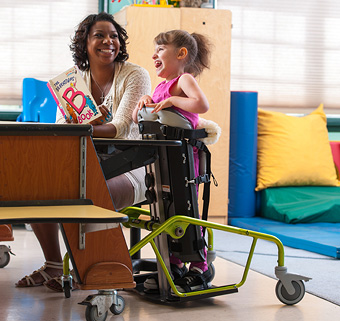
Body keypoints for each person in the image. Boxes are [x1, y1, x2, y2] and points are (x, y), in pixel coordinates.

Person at [15, 12, 151, 291]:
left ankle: (96, 272)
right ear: (85, 43)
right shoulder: (74, 79)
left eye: (113, 36)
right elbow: (62, 126)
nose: (108, 41)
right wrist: (87, 126)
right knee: (36, 189)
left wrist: (85, 127)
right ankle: (53, 265)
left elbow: (122, 127)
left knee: (91, 197)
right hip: (87, 161)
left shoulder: (135, 75)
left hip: (134, 164)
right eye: (99, 35)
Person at [133, 29, 212, 293]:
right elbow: (137, 119)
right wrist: (144, 102)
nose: (154, 54)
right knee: (166, 211)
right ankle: (174, 264)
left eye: (160, 49)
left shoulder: (183, 80)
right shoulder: (158, 88)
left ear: (181, 54)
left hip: (184, 158)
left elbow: (201, 105)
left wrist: (171, 100)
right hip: (162, 159)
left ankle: (199, 266)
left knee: (186, 209)